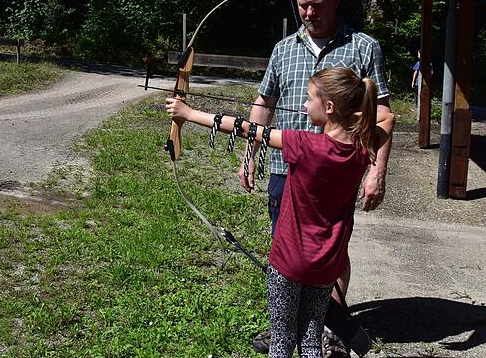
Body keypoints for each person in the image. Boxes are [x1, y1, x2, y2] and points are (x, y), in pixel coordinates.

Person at [166, 66, 394, 358]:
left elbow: (244, 127)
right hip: (325, 265)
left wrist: (188, 114)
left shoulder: (305, 145)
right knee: (311, 340)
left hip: (288, 263)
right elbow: (388, 117)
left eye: (309, 99)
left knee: (282, 342)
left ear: (329, 107)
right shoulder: (363, 148)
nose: (303, 105)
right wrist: (352, 114)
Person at [246, 0, 394, 356]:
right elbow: (264, 104)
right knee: (288, 250)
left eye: (316, 5)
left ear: (335, 1)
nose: (308, 13)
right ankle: (287, 326)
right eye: (302, 5)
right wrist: (250, 157)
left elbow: (382, 116)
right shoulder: (284, 49)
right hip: (286, 171)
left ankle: (328, 326)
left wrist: (376, 171)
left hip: (337, 177)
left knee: (331, 249)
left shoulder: (364, 47)